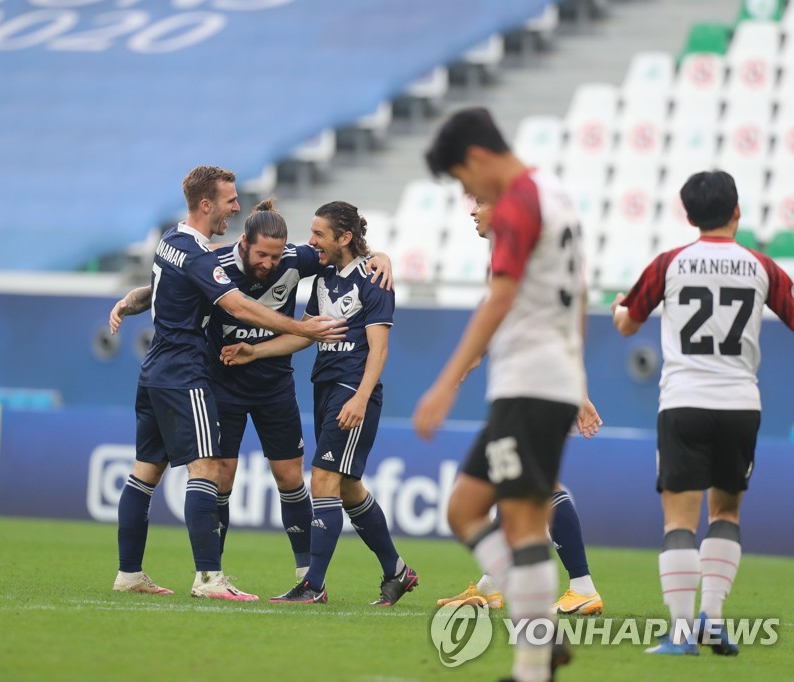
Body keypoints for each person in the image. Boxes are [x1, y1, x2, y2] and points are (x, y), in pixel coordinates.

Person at [111, 198, 393, 581]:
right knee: (221, 476)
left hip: (274, 386)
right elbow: (169, 282)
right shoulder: (220, 263)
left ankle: (305, 572)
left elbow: (344, 250)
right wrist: (131, 301)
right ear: (244, 243)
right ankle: (214, 572)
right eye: (262, 255)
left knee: (290, 478)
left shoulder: (296, 259)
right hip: (223, 381)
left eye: (276, 257)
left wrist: (381, 256)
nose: (270, 263)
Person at [414, 107, 585, 682]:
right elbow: (578, 295)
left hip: (529, 381)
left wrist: (444, 382)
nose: (470, 196)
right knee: (467, 508)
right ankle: (540, 636)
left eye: (465, 182)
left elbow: (501, 298)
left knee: (520, 523)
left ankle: (533, 661)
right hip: (546, 379)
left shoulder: (517, 202)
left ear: (479, 158)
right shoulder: (555, 194)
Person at [611, 170, 794, 655]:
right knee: (727, 512)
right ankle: (713, 618)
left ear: (689, 216)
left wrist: (616, 309)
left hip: (685, 402)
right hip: (740, 404)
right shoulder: (761, 266)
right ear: (737, 212)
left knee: (678, 521)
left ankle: (680, 632)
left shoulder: (670, 263)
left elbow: (628, 324)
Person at [221, 201, 418, 607]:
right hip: (325, 386)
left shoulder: (374, 279)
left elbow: (379, 351)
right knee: (347, 488)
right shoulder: (326, 275)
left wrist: (362, 398)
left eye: (319, 234)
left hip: (352, 390)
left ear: (344, 237)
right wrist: (255, 352)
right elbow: (308, 333)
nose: (311, 242)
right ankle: (398, 572)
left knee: (324, 480)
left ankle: (313, 584)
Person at [437, 200, 604, 617]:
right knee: (515, 486)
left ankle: (576, 588)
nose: (471, 211)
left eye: (478, 202)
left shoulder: (512, 250)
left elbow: (519, 318)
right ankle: (495, 588)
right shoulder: (524, 250)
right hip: (536, 384)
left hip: (531, 387)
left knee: (527, 490)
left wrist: (458, 368)